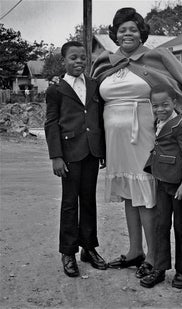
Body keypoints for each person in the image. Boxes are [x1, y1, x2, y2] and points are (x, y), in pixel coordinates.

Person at [91, 7, 182, 278]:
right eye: (122, 30)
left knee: (147, 195)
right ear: (115, 35)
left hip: (145, 134)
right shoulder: (105, 63)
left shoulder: (158, 58)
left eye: (133, 29)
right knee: (129, 196)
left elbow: (180, 90)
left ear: (141, 32)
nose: (128, 33)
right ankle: (135, 251)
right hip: (115, 139)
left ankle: (154, 256)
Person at [44, 41, 107, 277]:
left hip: (91, 151)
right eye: (73, 58)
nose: (78, 61)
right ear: (64, 61)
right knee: (70, 203)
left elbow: (98, 118)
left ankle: (88, 248)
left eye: (82, 57)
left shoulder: (94, 84)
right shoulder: (55, 89)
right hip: (69, 153)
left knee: (89, 200)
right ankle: (68, 252)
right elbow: (51, 123)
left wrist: (102, 151)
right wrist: (56, 157)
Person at [140, 84, 182, 289]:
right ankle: (160, 269)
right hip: (162, 181)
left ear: (174, 102)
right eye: (155, 106)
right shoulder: (158, 121)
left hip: (180, 185)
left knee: (181, 228)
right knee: (161, 225)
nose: (160, 109)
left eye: (164, 104)